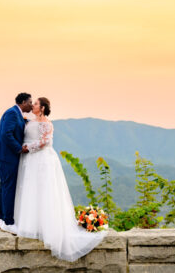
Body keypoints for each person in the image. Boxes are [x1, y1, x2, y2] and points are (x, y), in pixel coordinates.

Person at [14, 97, 106, 262]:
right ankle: (32, 225)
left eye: (35, 104)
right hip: (30, 160)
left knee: (44, 191)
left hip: (41, 159)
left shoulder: (47, 124)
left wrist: (26, 148)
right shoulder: (30, 120)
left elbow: (45, 142)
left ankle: (47, 227)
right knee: (31, 189)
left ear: (42, 108)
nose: (32, 105)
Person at [0, 92, 33, 234]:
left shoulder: (17, 114)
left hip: (5, 156)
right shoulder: (12, 113)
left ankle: (2, 220)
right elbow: (6, 134)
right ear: (22, 102)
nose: (31, 105)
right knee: (9, 187)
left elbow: (14, 130)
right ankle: (8, 222)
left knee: (4, 187)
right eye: (30, 102)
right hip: (7, 156)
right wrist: (19, 149)